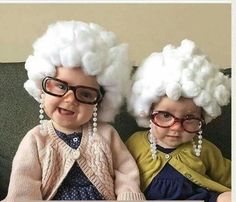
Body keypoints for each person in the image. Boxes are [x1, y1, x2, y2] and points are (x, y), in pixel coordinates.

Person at [4, 21, 145, 201]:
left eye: (85, 94)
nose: (70, 99)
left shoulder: (107, 134)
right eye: (60, 86)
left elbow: (125, 172)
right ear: (41, 90)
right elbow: (24, 185)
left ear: (99, 103)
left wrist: (128, 195)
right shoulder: (36, 139)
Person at [126, 39, 231, 202]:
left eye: (189, 118)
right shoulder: (135, 143)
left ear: (202, 119)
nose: (176, 127)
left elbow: (228, 174)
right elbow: (119, 173)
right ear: (148, 113)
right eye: (166, 115)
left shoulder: (203, 148)